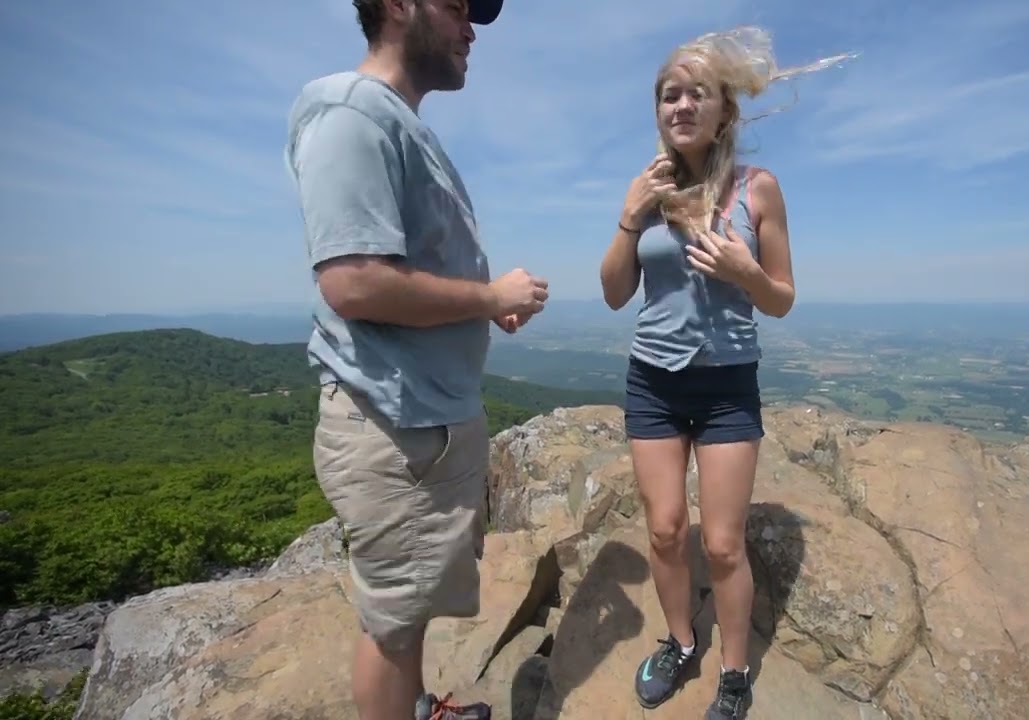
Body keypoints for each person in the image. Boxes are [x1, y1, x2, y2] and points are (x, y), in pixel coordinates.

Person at [283, 1, 549, 719]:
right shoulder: (352, 116)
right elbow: (354, 283)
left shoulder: (394, 121)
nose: (472, 29)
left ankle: (418, 704)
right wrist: (491, 292)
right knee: (393, 627)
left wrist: (487, 306)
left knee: (407, 610)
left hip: (419, 420)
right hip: (395, 428)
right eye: (461, 8)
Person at [598, 26, 853, 720]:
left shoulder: (757, 189)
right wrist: (628, 219)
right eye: (667, 96)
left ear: (724, 112)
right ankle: (682, 642)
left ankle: (734, 671)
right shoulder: (647, 189)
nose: (679, 106)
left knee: (720, 542)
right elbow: (615, 293)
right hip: (653, 379)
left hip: (726, 385)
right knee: (664, 528)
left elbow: (782, 299)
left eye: (695, 95)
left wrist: (747, 271)